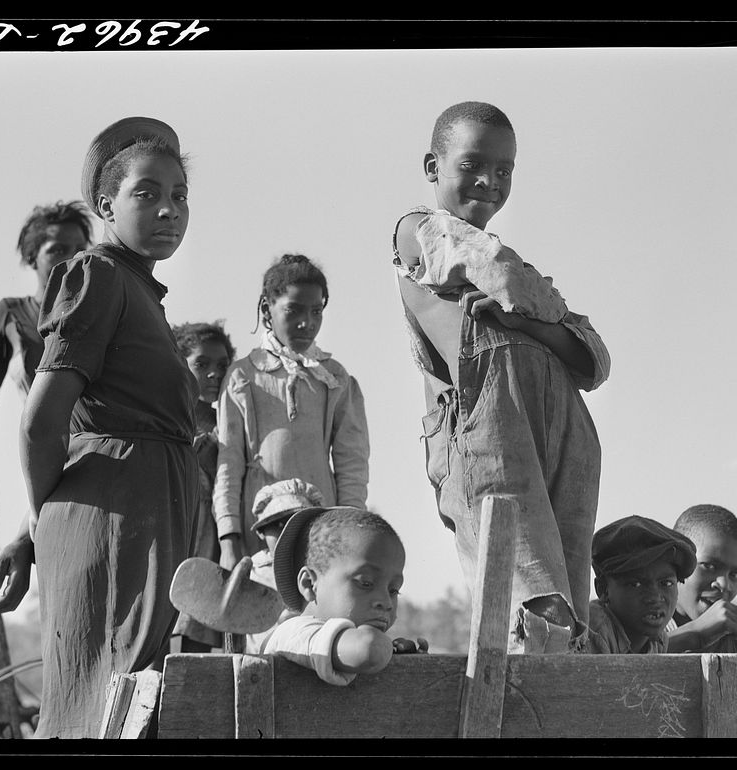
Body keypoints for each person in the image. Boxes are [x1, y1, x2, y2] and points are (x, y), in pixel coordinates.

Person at [0, 116, 199, 738]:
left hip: (147, 518)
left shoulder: (142, 293)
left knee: (136, 707)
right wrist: (38, 526)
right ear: (105, 203)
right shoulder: (97, 276)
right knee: (109, 709)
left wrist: (31, 534)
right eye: (147, 193)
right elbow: (41, 422)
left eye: (180, 195)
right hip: (113, 529)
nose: (169, 210)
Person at [390, 101, 611, 654]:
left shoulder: (499, 257)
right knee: (533, 611)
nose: (490, 180)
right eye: (472, 164)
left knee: (569, 622)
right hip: (492, 437)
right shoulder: (418, 233)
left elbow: (595, 361)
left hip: (564, 435)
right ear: (432, 166)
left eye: (505, 169)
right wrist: (545, 315)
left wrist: (524, 318)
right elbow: (506, 277)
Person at [212, 253, 370, 575]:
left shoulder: (335, 378)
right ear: (267, 308)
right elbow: (228, 462)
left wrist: (350, 526)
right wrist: (229, 538)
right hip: (259, 524)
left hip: (321, 523)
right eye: (293, 310)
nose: (306, 323)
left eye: (316, 312)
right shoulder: (244, 376)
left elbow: (351, 462)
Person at [0, 200, 94, 448]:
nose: (72, 259)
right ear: (32, 258)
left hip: (118, 458)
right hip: (55, 463)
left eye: (80, 249)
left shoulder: (105, 309)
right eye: (58, 250)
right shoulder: (11, 315)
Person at [263, 506, 426, 685]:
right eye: (365, 583)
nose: (386, 602)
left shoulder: (344, 647)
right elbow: (369, 649)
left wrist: (407, 666)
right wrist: (384, 649)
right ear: (309, 584)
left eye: (393, 590)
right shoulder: (292, 633)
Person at [168, 321, 236, 654]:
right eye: (201, 364)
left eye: (222, 366)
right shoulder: (166, 422)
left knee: (194, 649)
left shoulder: (229, 425)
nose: (214, 373)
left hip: (211, 553)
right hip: (174, 545)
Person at [666, 504, 737, 654]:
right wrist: (693, 633)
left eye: (735, 575)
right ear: (677, 561)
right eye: (709, 566)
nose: (724, 584)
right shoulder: (642, 624)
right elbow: (625, 666)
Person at [586, 515, 697, 654]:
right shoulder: (594, 632)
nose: (655, 597)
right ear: (603, 590)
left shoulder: (658, 638)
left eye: (666, 583)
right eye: (635, 584)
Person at [243, 477, 323, 653]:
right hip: (263, 664)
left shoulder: (325, 569)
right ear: (261, 532)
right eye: (278, 525)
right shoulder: (251, 573)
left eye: (296, 523)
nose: (288, 531)